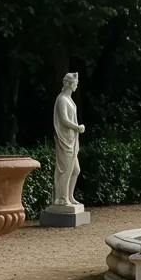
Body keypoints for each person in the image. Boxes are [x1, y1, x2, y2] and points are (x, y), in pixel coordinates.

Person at [52, 72, 85, 206]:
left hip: (71, 140)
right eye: (76, 83)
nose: (77, 85)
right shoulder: (62, 100)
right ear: (71, 84)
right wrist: (77, 127)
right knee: (65, 169)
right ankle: (61, 198)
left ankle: (69, 196)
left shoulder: (69, 100)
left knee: (75, 170)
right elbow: (64, 120)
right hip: (65, 140)